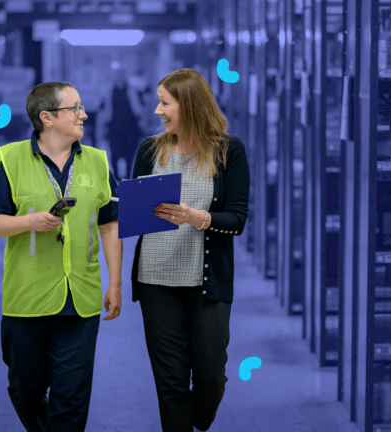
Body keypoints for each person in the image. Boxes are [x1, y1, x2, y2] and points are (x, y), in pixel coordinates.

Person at [0, 81, 123, 432]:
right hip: (27, 297)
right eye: (74, 108)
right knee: (24, 388)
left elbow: (109, 225)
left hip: (81, 297)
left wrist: (115, 281)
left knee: (71, 398)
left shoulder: (98, 162)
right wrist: (29, 221)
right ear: (47, 117)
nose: (84, 114)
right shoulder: (11, 160)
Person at [130, 69, 250, 432]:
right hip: (156, 280)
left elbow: (237, 219)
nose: (157, 111)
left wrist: (195, 217)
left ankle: (200, 417)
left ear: (191, 106)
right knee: (171, 384)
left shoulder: (230, 151)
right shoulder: (150, 150)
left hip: (206, 284)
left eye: (165, 103)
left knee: (211, 376)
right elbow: (135, 215)